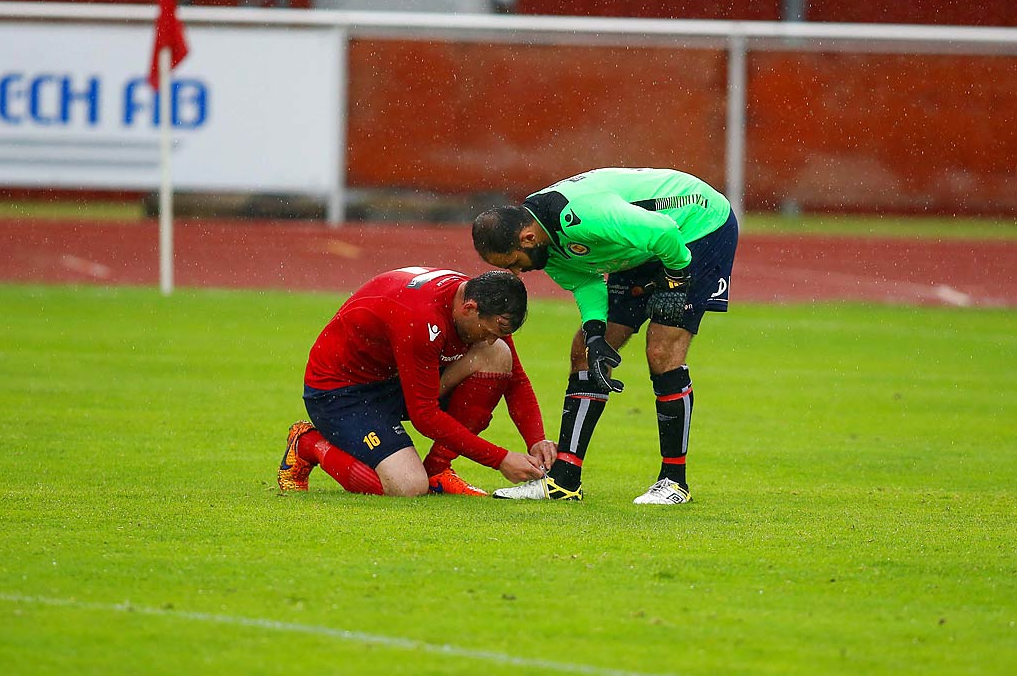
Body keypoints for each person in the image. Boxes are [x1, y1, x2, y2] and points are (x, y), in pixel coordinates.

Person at [471, 167, 737, 505]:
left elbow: (664, 231)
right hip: (644, 242)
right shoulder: (544, 243)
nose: (516, 272)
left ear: (526, 239)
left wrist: (676, 280)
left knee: (661, 350)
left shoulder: (585, 215)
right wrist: (596, 334)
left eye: (513, 262)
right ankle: (564, 481)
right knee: (584, 351)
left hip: (695, 226)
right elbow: (585, 281)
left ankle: (674, 482)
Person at [278, 267, 556, 498]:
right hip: (341, 393)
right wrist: (501, 459)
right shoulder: (421, 318)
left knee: (496, 356)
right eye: (490, 330)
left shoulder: (483, 301)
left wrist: (536, 440)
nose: (490, 338)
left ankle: (437, 470)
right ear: (469, 308)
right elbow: (425, 416)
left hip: (394, 378)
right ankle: (308, 443)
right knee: (407, 486)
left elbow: (515, 378)